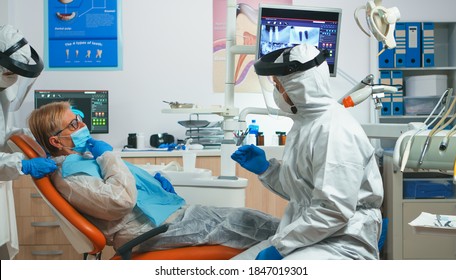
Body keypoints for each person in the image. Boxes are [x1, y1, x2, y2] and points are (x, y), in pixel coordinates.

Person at [27, 101, 279, 254]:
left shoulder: (82, 159)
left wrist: (155, 185)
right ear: (56, 141)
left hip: (166, 219)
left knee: (255, 220)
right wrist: (109, 156)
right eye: (73, 125)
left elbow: (119, 182)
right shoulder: (72, 176)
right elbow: (119, 201)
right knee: (257, 226)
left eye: (79, 119)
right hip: (150, 232)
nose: (82, 126)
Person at [231, 44, 384, 260]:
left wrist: (280, 247)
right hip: (309, 235)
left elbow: (333, 210)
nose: (276, 92)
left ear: (297, 86)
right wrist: (268, 169)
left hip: (342, 242)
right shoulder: (305, 124)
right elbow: (304, 192)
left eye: (278, 84)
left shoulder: (335, 132)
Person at [0, 25, 57, 260]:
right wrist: (22, 165)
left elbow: (3, 132)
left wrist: (34, 135)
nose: (13, 79)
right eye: (9, 73)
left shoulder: (3, 91)